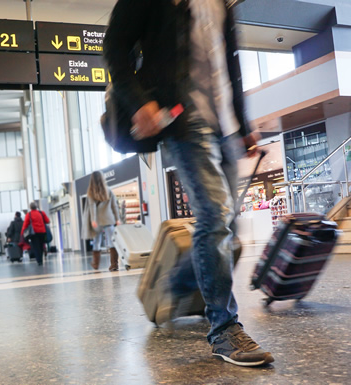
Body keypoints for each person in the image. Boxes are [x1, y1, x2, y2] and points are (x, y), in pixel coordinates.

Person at [104, 0, 273, 366]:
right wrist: (139, 104)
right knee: (214, 216)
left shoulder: (222, 3)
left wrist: (242, 126)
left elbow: (229, 64)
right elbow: (114, 48)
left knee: (227, 223)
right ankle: (224, 330)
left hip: (224, 123)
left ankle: (177, 285)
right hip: (181, 119)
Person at [83, 171, 120, 271]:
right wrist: (117, 219)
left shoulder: (91, 192)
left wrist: (93, 220)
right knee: (112, 242)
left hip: (98, 221)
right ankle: (114, 264)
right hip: (109, 219)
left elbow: (92, 207)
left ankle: (96, 263)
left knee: (96, 242)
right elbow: (114, 205)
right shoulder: (108, 190)